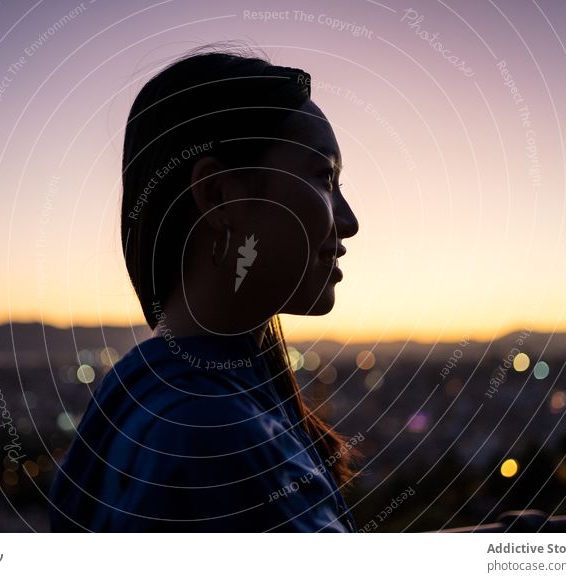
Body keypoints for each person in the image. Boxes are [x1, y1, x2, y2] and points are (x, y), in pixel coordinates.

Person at [48, 48, 360, 532]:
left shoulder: (130, 392)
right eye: (324, 177)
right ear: (218, 195)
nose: (349, 221)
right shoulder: (219, 437)